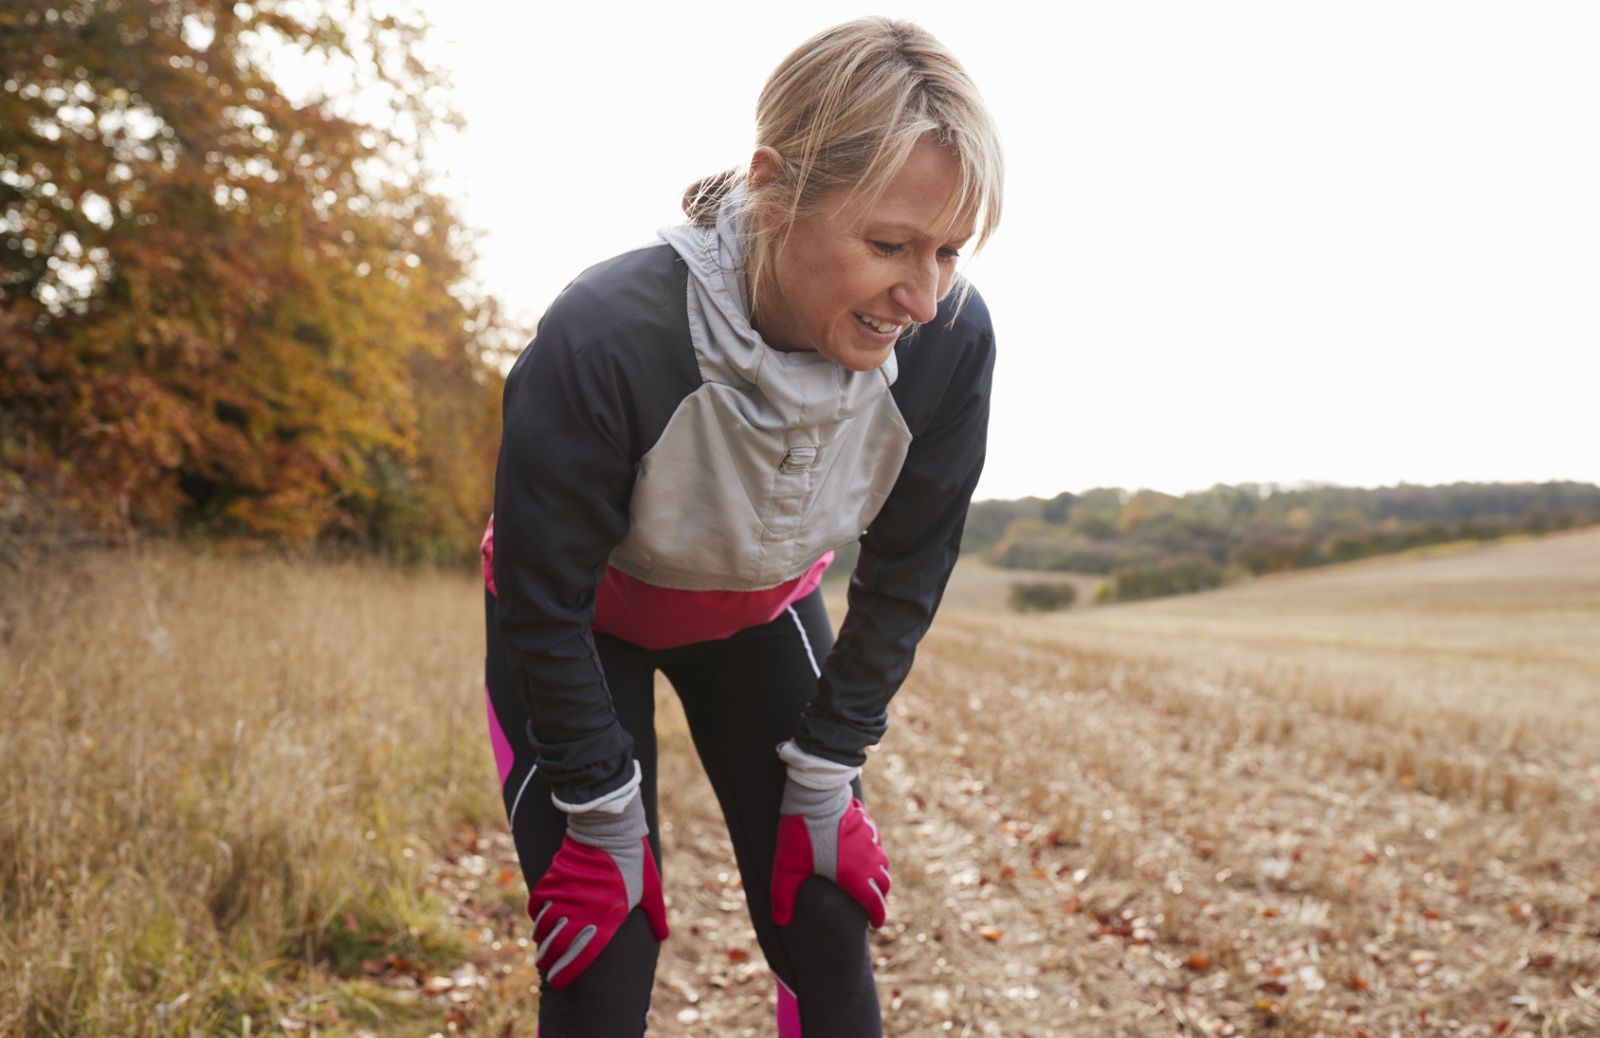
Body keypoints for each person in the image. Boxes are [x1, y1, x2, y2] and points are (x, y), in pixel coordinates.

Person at [481, 16, 1003, 1036]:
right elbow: (544, 603)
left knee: (824, 920)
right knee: (605, 947)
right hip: (578, 626)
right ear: (773, 185)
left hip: (761, 614)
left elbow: (907, 570)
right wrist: (597, 810)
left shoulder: (950, 339)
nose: (921, 292)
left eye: (947, 250)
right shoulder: (605, 334)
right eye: (888, 244)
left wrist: (830, 766)